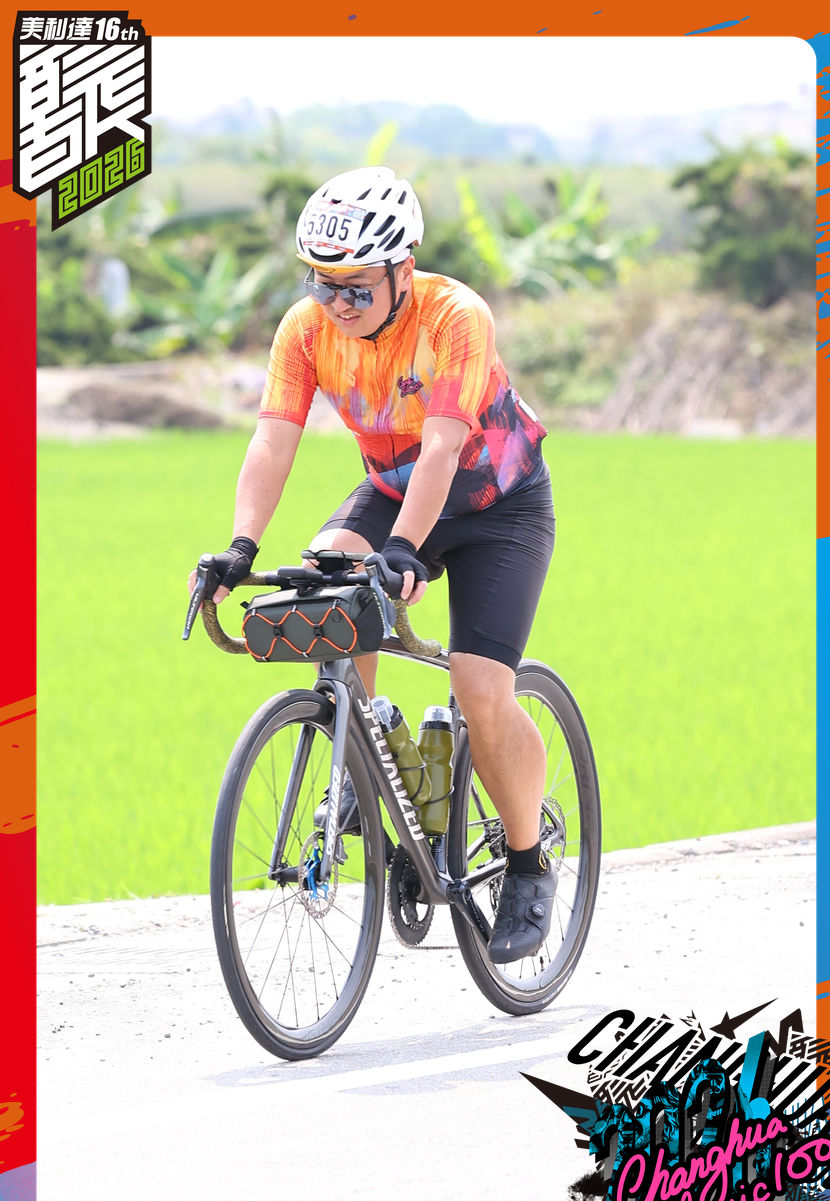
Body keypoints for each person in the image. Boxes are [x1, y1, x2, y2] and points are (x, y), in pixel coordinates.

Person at [189, 167, 557, 963]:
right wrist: (240, 546)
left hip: (497, 506)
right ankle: (363, 749)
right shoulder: (305, 329)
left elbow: (444, 446)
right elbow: (272, 437)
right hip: (394, 491)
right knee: (323, 580)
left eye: (356, 287)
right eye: (323, 284)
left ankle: (528, 866)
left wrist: (404, 550)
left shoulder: (454, 315)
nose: (339, 303)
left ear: (403, 268)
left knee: (479, 688)